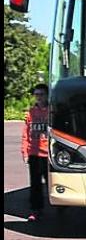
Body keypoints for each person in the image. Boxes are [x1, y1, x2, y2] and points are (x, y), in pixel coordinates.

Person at [21, 84, 51, 222]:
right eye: (36, 94)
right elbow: (26, 134)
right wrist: (25, 151)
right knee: (35, 184)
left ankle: (60, 205)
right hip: (34, 153)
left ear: (47, 95)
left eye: (42, 94)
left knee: (51, 182)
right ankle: (36, 210)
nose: (39, 97)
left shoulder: (51, 111)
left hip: (49, 153)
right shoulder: (31, 113)